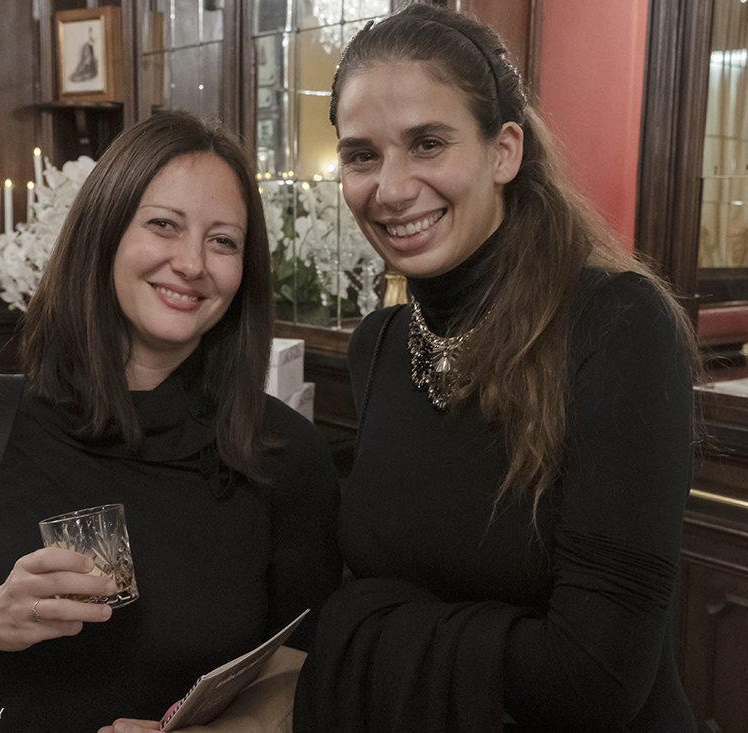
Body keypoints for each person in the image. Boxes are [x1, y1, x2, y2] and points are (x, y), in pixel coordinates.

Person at [0, 110, 342, 733]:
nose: (192, 262)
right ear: (103, 235)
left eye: (223, 241)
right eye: (163, 225)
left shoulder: (285, 453)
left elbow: (304, 668)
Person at [292, 5, 699, 732]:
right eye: (361, 154)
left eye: (427, 143)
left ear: (504, 150)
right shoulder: (377, 345)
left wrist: (353, 621)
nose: (389, 187)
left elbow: (595, 677)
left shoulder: (618, 325)